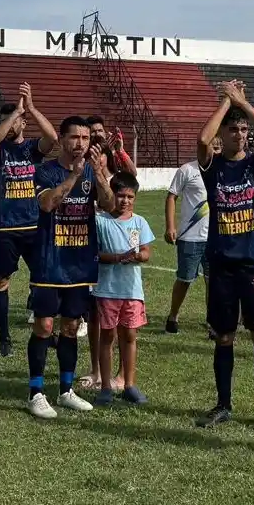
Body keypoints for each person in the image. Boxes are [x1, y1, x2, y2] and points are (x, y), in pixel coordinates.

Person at [195, 80, 254, 432]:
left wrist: (244, 105)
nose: (240, 135)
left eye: (244, 130)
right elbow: (203, 140)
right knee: (224, 336)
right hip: (222, 265)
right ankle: (223, 404)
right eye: (233, 129)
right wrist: (225, 103)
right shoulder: (213, 165)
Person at [26, 116, 114, 419]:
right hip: (50, 262)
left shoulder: (93, 170)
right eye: (75, 138)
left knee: (71, 327)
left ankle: (65, 389)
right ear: (62, 139)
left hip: (79, 264)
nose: (80, 144)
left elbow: (110, 204)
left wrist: (100, 174)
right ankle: (36, 392)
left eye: (86, 138)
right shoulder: (45, 171)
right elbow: (48, 204)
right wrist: (73, 176)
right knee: (45, 325)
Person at [0, 84, 58, 357]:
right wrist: (13, 112)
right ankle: (4, 337)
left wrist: (31, 108)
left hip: (35, 225)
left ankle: (44, 330)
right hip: (5, 228)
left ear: (24, 123)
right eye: (5, 121)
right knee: (1, 280)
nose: (10, 125)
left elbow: (53, 139)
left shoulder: (31, 148)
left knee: (44, 278)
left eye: (16, 120)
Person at [92, 172, 154, 407]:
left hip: (132, 290)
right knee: (107, 336)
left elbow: (146, 250)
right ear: (111, 196)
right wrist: (117, 257)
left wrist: (140, 255)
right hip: (107, 289)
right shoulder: (101, 222)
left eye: (130, 196)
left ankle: (129, 384)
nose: (125, 201)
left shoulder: (139, 222)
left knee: (129, 335)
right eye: (120, 196)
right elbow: (95, 254)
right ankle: (106, 386)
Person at [80, 116, 135, 383]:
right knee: (95, 315)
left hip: (120, 248)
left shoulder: (115, 176)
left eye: (101, 153)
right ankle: (96, 370)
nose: (97, 157)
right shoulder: (82, 172)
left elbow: (133, 179)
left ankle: (123, 375)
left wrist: (119, 150)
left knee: (124, 318)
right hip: (94, 249)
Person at [163, 137, 222, 334]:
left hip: (216, 238)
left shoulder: (224, 172)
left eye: (218, 148)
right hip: (190, 237)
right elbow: (172, 196)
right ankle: (173, 315)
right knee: (185, 279)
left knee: (213, 281)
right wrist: (171, 226)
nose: (216, 151)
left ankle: (213, 322)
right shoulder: (187, 170)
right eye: (212, 147)